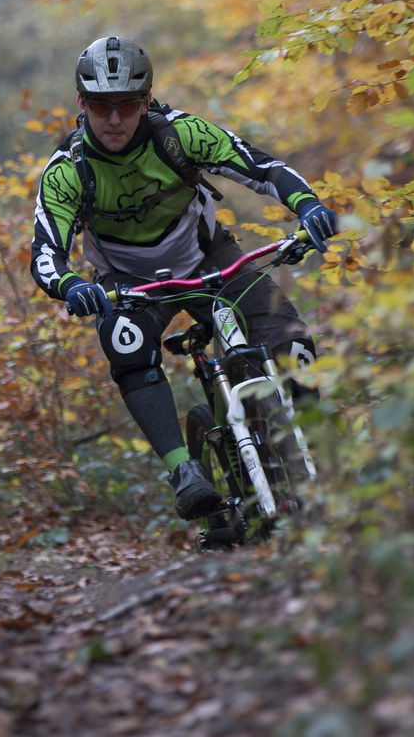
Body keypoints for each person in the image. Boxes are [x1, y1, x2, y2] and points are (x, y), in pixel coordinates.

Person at [30, 36, 337, 520]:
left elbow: (262, 167)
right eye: (101, 106)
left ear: (146, 100)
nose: (114, 119)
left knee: (291, 341)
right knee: (125, 342)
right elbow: (46, 254)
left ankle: (324, 458)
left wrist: (309, 207)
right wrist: (73, 287)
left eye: (128, 104)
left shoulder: (179, 135)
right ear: (81, 103)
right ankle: (183, 471)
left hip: (208, 258)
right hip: (128, 282)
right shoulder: (69, 170)